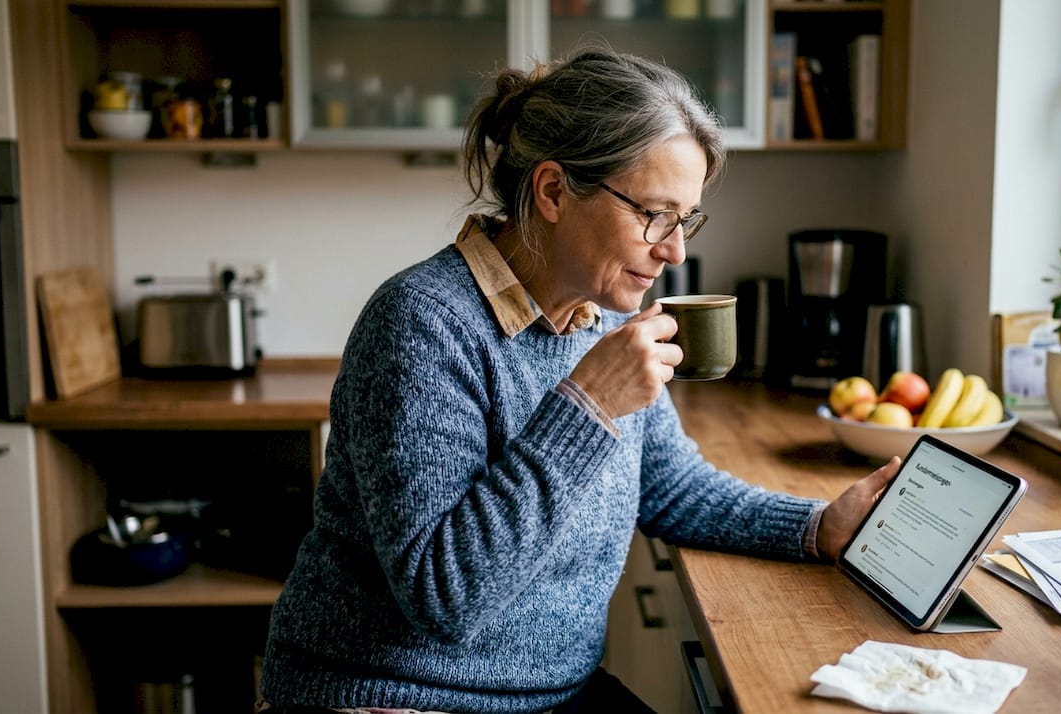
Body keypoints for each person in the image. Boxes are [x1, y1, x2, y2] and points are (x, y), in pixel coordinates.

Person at [257, 44, 900, 714]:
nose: (676, 250)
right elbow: (443, 597)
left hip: (543, 695)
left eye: (685, 220)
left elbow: (671, 486)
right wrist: (588, 405)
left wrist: (818, 526)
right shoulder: (422, 324)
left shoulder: (594, 318)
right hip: (390, 696)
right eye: (655, 214)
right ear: (555, 191)